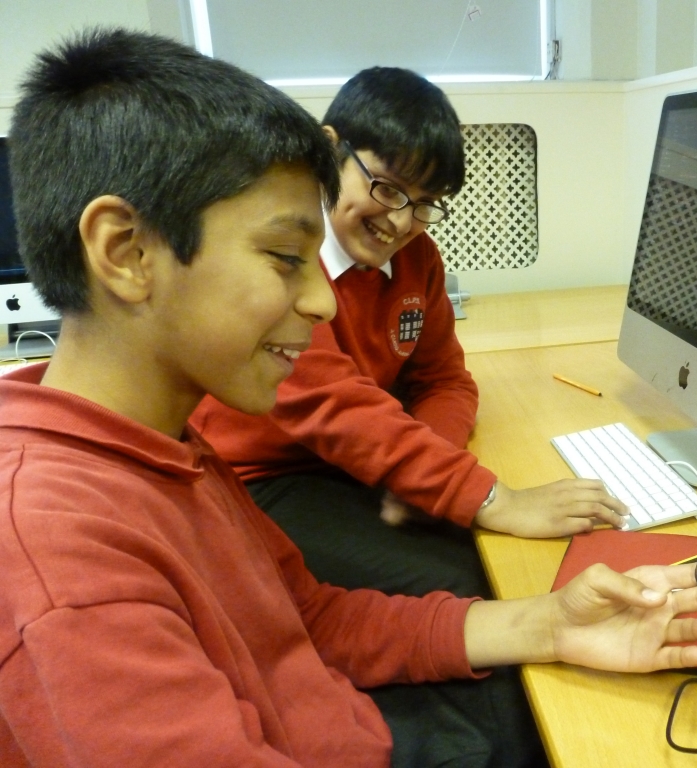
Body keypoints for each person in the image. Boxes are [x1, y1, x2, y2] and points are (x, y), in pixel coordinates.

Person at [0, 28, 697, 768]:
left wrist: (547, 623)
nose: (322, 297)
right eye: (286, 258)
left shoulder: (162, 450)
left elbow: (309, 621)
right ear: (125, 252)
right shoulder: (64, 585)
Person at [189, 66, 628, 600]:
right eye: (387, 189)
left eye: (424, 204)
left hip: (360, 462)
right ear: (330, 153)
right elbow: (334, 405)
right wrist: (493, 499)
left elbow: (446, 381)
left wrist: (425, 479)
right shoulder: (279, 263)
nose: (400, 222)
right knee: (467, 581)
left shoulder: (418, 259)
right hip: (265, 477)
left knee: (499, 557)